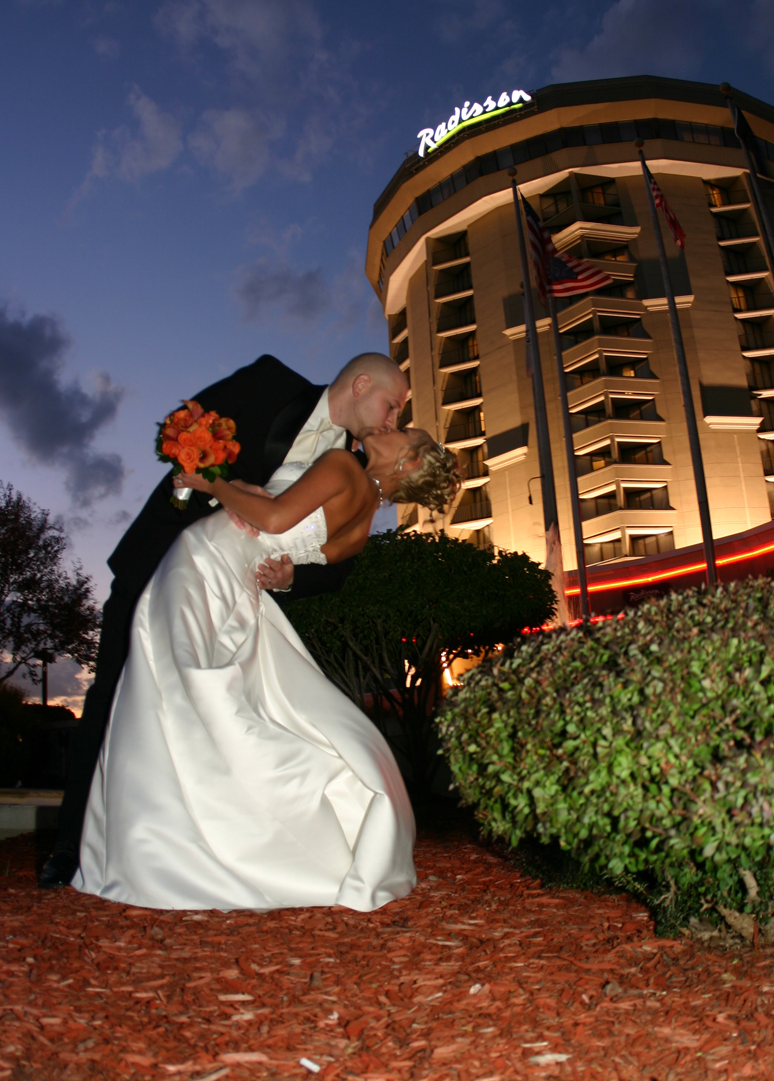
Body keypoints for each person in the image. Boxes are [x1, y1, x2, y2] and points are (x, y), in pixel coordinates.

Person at [40, 352, 409, 889]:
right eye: (392, 404)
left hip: (234, 597)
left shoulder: (354, 466)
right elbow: (187, 430)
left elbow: (339, 568)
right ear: (360, 385)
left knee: (210, 711)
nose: (394, 419)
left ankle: (190, 849)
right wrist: (228, 488)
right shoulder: (270, 383)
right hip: (163, 558)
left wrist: (293, 577)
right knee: (113, 694)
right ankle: (72, 847)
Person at [72, 428, 461, 912]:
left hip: (208, 559)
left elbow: (276, 518)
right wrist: (285, 569)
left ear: (408, 463)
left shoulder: (343, 465)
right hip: (240, 581)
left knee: (170, 687)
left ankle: (160, 848)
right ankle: (200, 842)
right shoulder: (361, 526)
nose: (389, 427)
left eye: (402, 432)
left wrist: (215, 485)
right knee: (198, 696)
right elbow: (296, 556)